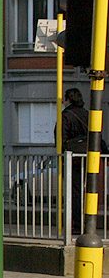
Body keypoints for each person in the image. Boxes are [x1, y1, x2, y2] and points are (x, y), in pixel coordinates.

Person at [60, 88, 88, 234]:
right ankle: (88, 224)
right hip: (89, 157)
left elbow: (61, 138)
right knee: (88, 192)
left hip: (72, 158)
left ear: (68, 99)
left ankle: (76, 225)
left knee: (74, 193)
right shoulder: (87, 114)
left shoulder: (66, 115)